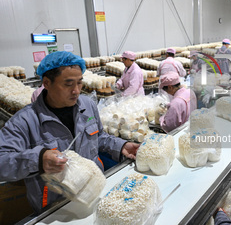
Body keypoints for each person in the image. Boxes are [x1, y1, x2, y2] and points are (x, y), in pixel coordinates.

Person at [0, 51, 139, 213]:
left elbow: (99, 137)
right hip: (55, 209)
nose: (76, 91)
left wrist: (121, 146)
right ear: (46, 83)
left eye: (79, 83)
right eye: (68, 84)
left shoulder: (87, 106)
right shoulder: (24, 121)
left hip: (93, 193)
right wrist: (38, 159)